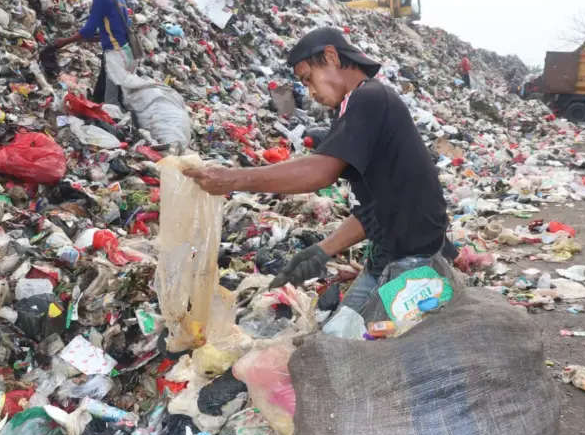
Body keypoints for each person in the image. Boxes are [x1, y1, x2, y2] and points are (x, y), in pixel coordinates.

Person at [184, 27, 451, 313]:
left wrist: (234, 179)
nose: (311, 93)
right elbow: (378, 206)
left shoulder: (368, 98)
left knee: (367, 348)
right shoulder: (363, 103)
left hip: (413, 262)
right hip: (387, 255)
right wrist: (322, 250)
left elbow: (321, 171)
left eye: (308, 79)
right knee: (339, 331)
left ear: (332, 56)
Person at [46, 0, 135, 106]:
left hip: (115, 55)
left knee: (110, 102)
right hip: (126, 52)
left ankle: (117, 122)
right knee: (100, 95)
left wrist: (65, 41)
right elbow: (119, 28)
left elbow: (89, 30)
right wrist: (84, 39)